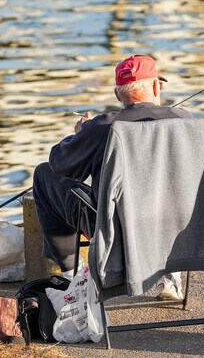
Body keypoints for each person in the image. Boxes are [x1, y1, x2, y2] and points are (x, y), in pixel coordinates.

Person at [32, 54, 191, 299]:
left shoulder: (102, 126)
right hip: (182, 228)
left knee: (44, 174)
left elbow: (61, 165)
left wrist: (79, 135)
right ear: (154, 86)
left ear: (119, 94)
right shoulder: (185, 120)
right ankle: (170, 275)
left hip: (115, 232)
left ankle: (71, 277)